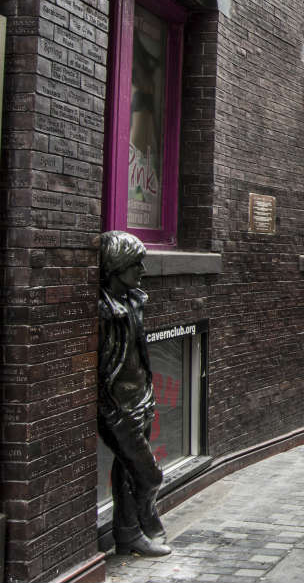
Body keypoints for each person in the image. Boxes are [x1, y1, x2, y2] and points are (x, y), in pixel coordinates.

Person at [98, 231, 171, 557]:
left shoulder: (133, 301)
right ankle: (145, 524)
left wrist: (148, 389)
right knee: (149, 474)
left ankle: (129, 536)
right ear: (117, 266)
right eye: (135, 264)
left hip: (140, 396)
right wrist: (112, 406)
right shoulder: (103, 312)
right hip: (118, 407)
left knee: (128, 470)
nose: (142, 269)